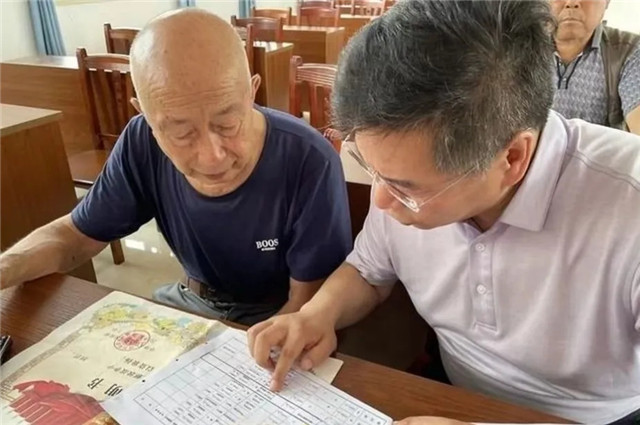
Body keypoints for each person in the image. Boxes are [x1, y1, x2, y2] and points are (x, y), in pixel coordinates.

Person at [247, 0, 640, 424]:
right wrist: (316, 315)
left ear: (512, 157)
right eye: (372, 170)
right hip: (444, 393)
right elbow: (368, 271)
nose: (381, 202)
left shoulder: (627, 209)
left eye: (405, 187)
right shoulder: (405, 175)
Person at [0, 9, 352, 326]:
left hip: (276, 314)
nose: (212, 157)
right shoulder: (142, 140)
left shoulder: (308, 159)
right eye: (181, 133)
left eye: (227, 124)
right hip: (190, 301)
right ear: (145, 116)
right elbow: (73, 237)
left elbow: (306, 304)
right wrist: (5, 269)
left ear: (252, 92)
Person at [551, 0, 640, 134]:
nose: (571, 2)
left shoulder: (629, 51)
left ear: (607, 2)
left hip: (601, 148)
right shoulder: (519, 48)